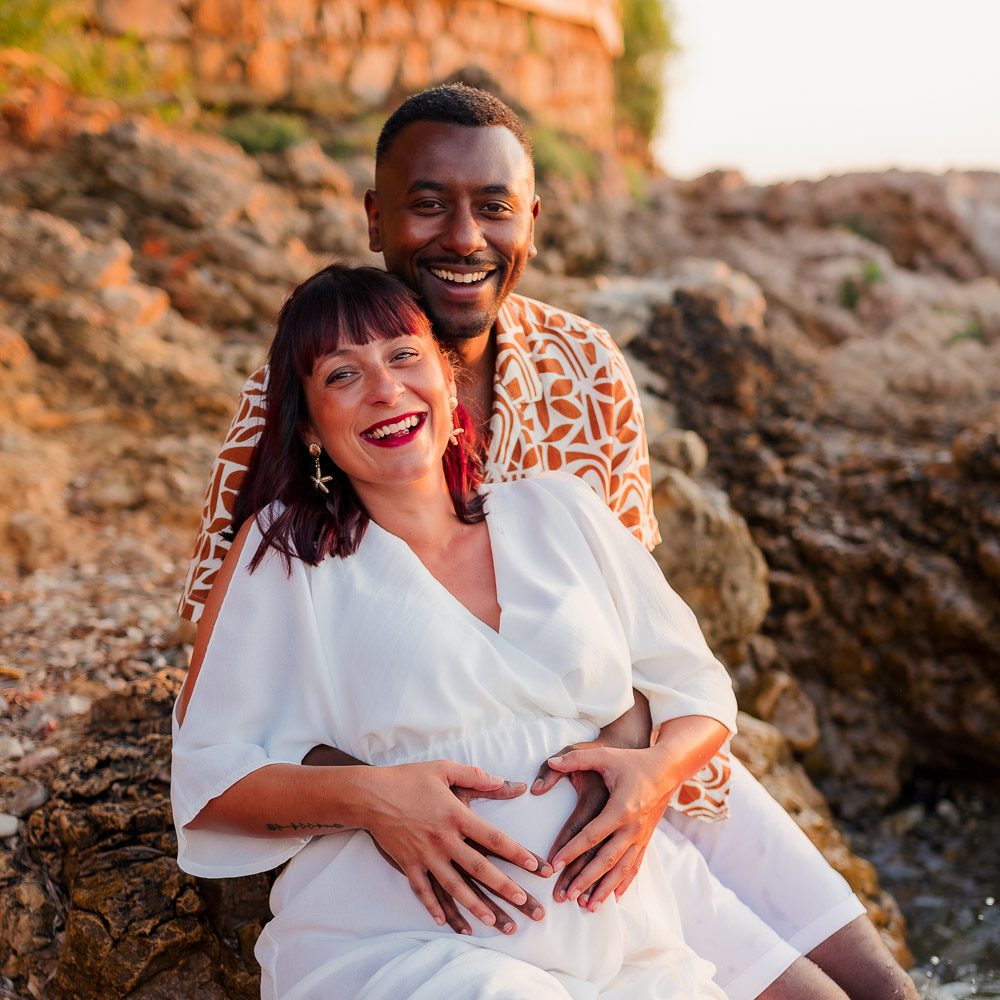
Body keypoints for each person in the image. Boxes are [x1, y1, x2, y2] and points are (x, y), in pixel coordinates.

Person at [177, 85, 917, 999]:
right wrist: (386, 795)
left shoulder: (584, 368)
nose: (462, 236)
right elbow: (227, 676)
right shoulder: (291, 410)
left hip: (627, 773)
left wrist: (634, 780)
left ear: (532, 219)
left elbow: (647, 633)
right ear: (375, 219)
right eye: (427, 204)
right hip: (437, 831)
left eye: (493, 206)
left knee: (874, 989)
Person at [173, 262, 740, 997]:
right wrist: (374, 798)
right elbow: (208, 777)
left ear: (446, 377)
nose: (385, 390)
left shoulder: (560, 511)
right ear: (310, 428)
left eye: (404, 356)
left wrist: (654, 774)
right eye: (343, 376)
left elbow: (695, 687)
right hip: (400, 950)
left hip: (624, 946)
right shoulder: (289, 551)